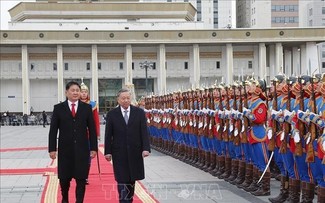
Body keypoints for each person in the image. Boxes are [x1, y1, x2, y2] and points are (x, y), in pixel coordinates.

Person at [48, 81, 98, 203]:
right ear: (67, 92)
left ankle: (79, 201)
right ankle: (65, 199)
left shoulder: (86, 108)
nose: (75, 93)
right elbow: (53, 130)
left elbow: (92, 129)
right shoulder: (58, 108)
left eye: (77, 90)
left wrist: (94, 148)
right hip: (65, 150)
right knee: (64, 179)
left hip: (82, 149)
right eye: (73, 90)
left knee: (81, 179)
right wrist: (52, 149)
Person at [104, 88, 151, 203]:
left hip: (135, 152)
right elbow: (108, 134)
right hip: (119, 153)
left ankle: (128, 200)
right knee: (122, 181)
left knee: (131, 181)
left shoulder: (139, 113)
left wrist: (146, 149)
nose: (126, 100)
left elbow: (144, 132)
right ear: (118, 100)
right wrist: (108, 152)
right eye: (123, 98)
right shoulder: (112, 114)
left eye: (128, 98)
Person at [80, 81, 100, 185]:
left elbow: (96, 120)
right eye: (82, 91)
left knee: (88, 157)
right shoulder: (75, 104)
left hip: (88, 135)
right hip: (78, 135)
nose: (83, 94)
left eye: (85, 92)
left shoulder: (92, 104)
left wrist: (97, 134)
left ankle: (85, 176)